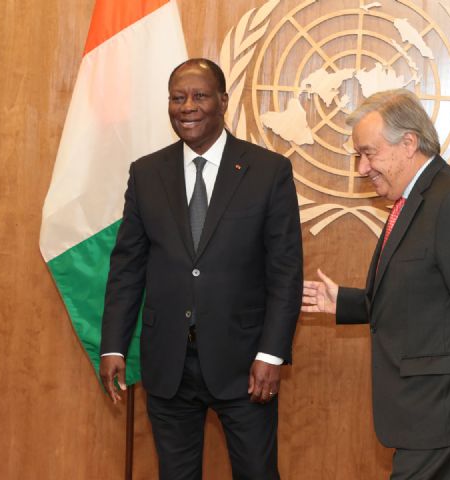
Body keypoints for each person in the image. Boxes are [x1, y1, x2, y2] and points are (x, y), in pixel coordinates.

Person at [302, 89, 450, 479]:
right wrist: (348, 303)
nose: (362, 168)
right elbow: (422, 299)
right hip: (427, 415)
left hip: (446, 412)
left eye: (369, 153)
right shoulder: (414, 200)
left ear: (408, 143)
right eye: (359, 156)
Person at [99, 58, 302, 480]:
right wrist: (113, 346)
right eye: (177, 97)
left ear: (223, 102)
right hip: (168, 363)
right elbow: (128, 266)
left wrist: (271, 353)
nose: (186, 106)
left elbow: (285, 271)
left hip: (246, 365)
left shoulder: (268, 172)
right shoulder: (146, 172)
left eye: (199, 95)